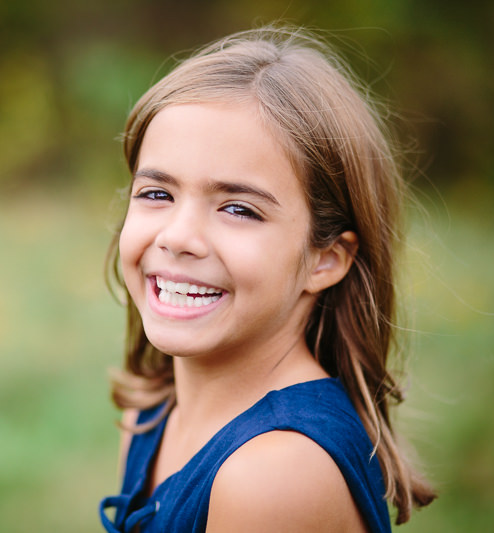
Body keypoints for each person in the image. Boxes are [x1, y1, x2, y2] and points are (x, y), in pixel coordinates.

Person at [99, 25, 436, 533]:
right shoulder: (149, 415)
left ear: (325, 258)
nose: (178, 237)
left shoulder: (273, 476)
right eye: (157, 194)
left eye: (238, 208)